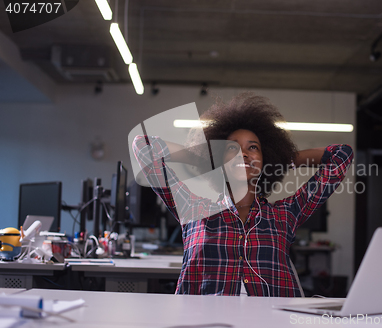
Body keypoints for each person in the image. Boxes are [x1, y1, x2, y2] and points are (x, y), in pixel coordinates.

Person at [133, 93, 353, 297]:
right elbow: (143, 146)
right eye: (231, 148)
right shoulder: (193, 209)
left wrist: (281, 160)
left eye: (253, 148)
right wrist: (204, 158)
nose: (243, 153)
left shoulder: (286, 214)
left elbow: (341, 156)